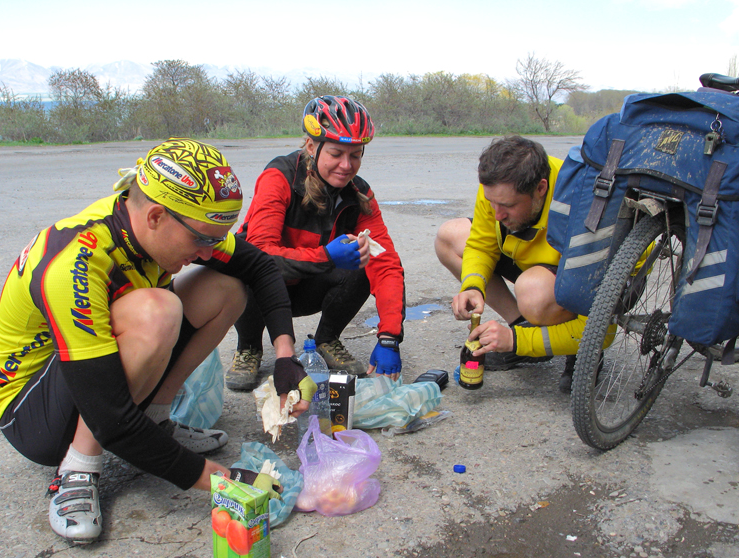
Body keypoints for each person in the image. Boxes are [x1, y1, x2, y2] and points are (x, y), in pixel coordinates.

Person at [0, 138, 314, 544]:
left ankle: (157, 421)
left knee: (227, 289)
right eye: (203, 240)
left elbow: (260, 267)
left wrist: (285, 357)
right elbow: (110, 416)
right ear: (156, 216)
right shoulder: (76, 261)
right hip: (30, 408)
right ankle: (78, 468)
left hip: (94, 385)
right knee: (157, 311)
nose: (208, 252)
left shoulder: (171, 223)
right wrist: (223, 479)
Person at [224, 95, 406, 391]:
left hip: (308, 288)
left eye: (355, 155)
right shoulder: (279, 176)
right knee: (240, 266)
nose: (346, 165)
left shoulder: (359, 193)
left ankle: (327, 339)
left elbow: (386, 262)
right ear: (311, 146)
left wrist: (389, 336)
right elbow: (260, 256)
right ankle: (249, 347)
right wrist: (326, 256)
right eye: (336, 153)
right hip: (264, 289)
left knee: (366, 258)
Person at [434, 135, 586, 392]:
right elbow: (481, 244)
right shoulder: (499, 187)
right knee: (448, 237)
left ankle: (580, 351)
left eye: (507, 205)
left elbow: (602, 330)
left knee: (533, 293)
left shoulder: (580, 202)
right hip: (532, 257)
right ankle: (524, 325)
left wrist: (516, 341)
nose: (496, 214)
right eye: (491, 202)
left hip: (586, 277)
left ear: (540, 189)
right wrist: (473, 285)